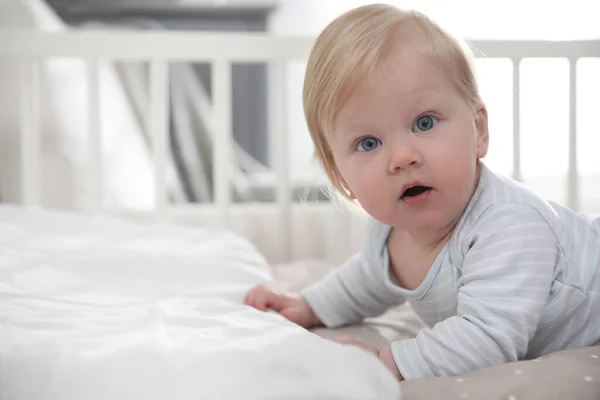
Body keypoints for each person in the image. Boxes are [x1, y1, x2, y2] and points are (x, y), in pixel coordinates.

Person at [244, 3, 600, 381]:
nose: (401, 158)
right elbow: (364, 280)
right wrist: (308, 307)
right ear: (340, 176)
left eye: (424, 122)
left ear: (479, 131)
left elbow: (487, 337)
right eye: (368, 143)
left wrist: (387, 360)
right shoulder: (390, 233)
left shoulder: (509, 226)